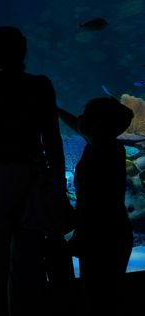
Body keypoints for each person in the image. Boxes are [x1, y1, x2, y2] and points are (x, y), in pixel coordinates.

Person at [0, 26, 68, 316]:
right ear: (23, 53)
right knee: (29, 262)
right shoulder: (40, 85)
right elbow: (53, 140)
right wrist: (57, 186)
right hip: (31, 178)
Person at [58, 97, 134, 316]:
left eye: (86, 115)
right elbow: (76, 124)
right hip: (113, 232)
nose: (80, 118)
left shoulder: (104, 153)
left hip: (102, 235)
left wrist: (78, 234)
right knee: (104, 297)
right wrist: (55, 108)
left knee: (98, 298)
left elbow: (94, 204)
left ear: (96, 124)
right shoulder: (109, 144)